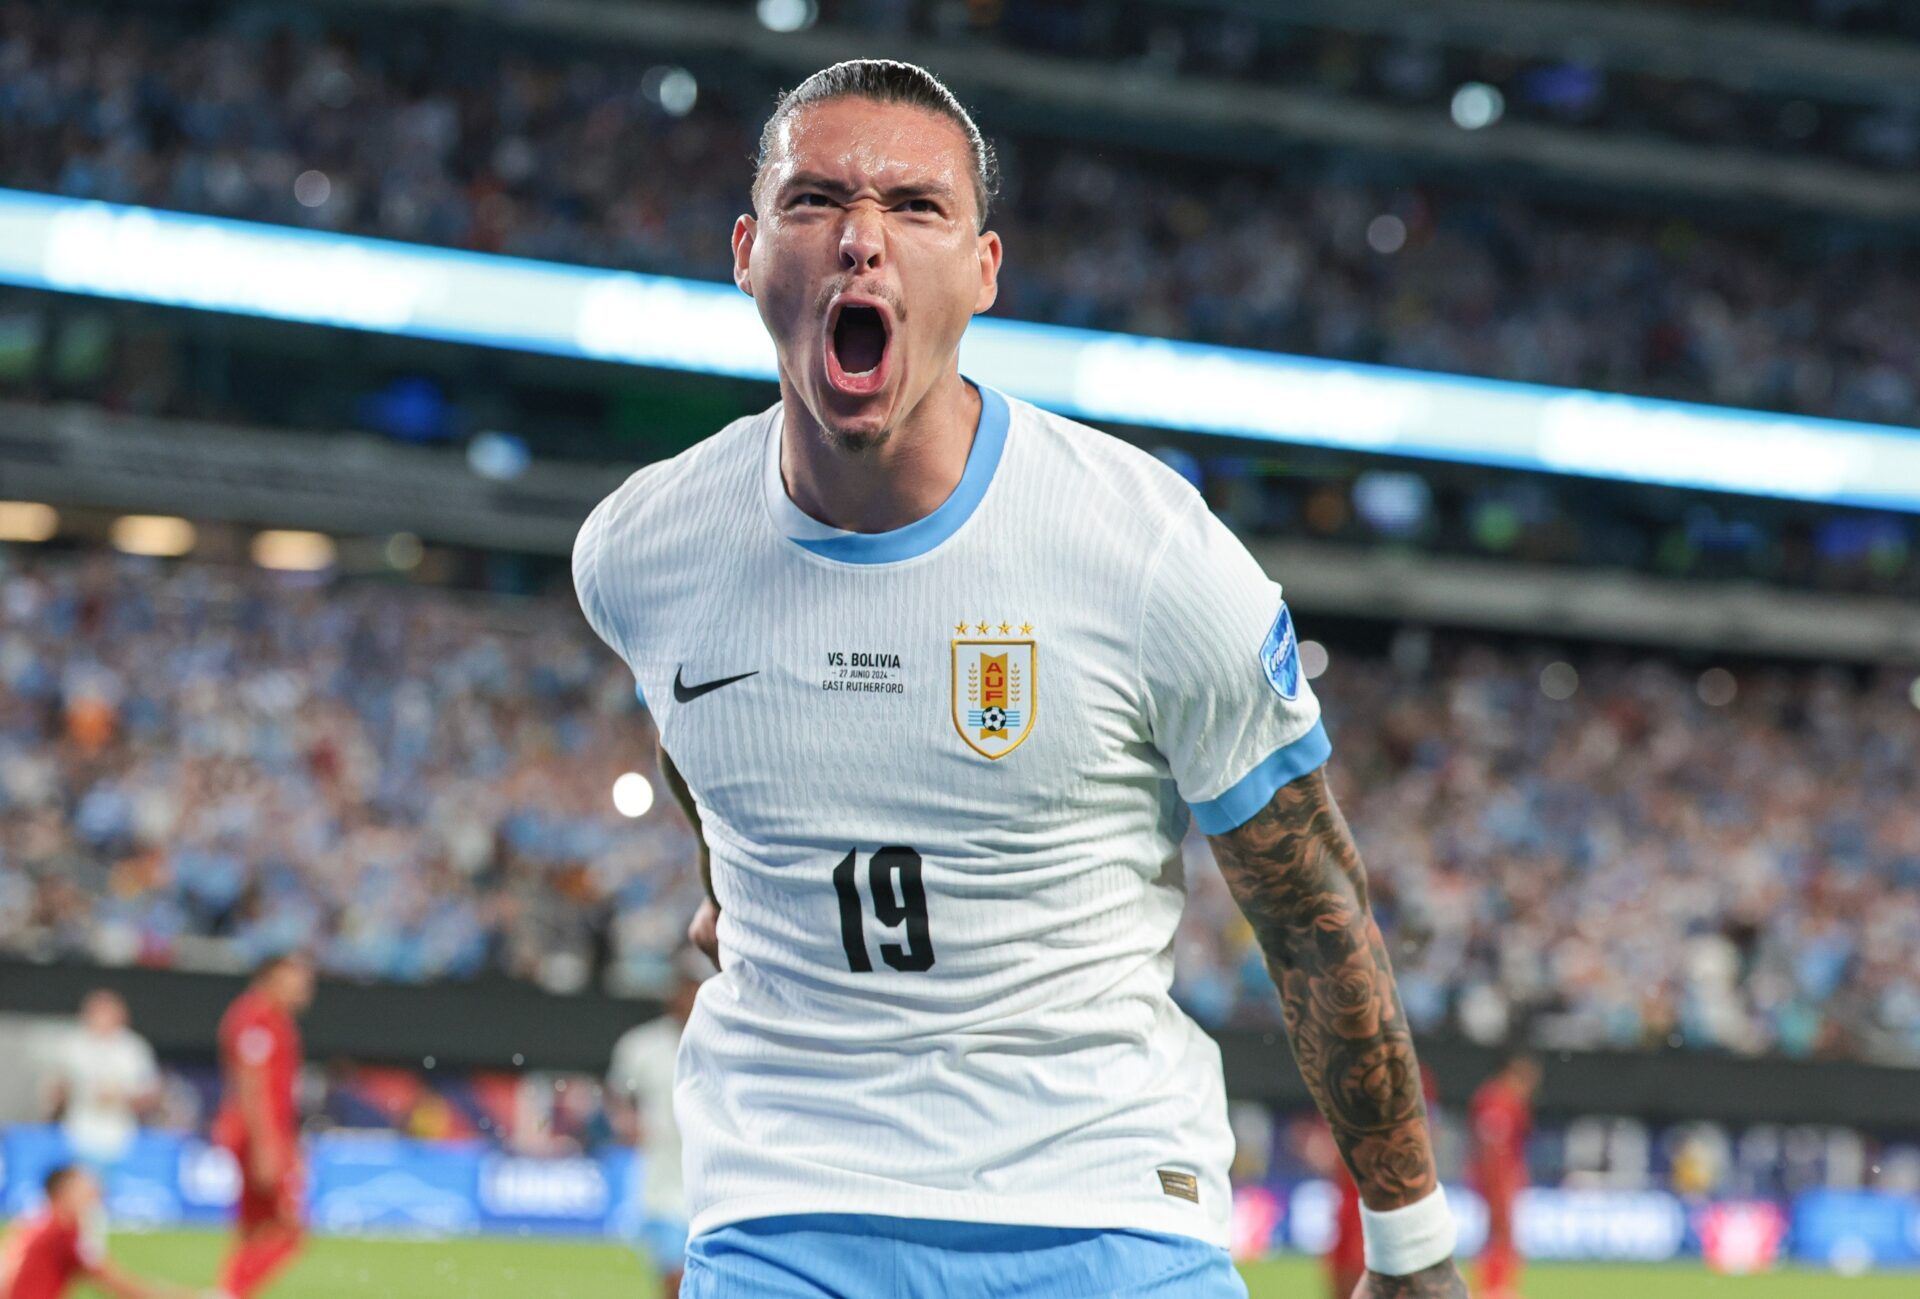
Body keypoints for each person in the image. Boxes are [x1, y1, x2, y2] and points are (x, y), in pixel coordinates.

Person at [574, 59, 1465, 1299]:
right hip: (785, 1216)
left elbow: (1310, 904)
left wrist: (1410, 1247)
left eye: (916, 207)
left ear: (985, 270)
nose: (862, 239)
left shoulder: (1145, 551)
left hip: (1106, 1217)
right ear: (746, 251)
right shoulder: (640, 551)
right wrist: (728, 874)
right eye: (815, 200)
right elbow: (698, 726)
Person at [208, 954, 315, 1299]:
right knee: (289, 1231)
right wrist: (267, 1146)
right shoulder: (257, 1018)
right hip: (257, 1134)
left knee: (255, 1228)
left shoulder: (274, 1019)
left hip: (262, 1134)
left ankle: (229, 1291)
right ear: (271, 980)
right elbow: (251, 1085)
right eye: (296, 982)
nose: (304, 990)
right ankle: (230, 1292)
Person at [608, 948, 709, 1298]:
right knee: (674, 1278)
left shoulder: (723, 1042)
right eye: (681, 987)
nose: (685, 996)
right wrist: (626, 1122)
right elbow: (618, 1095)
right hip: (661, 1185)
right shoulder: (641, 1046)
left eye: (694, 987)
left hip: (711, 1183)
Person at [0, 1166, 200, 1299]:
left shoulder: (35, 1220)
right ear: (64, 1192)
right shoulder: (62, 1232)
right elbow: (116, 1283)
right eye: (85, 1186)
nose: (95, 1192)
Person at [45, 990, 161, 1169]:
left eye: (107, 1012)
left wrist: (122, 1099)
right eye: (97, 1012)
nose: (101, 1018)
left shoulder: (133, 1049)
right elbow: (55, 1091)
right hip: (76, 1132)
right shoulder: (71, 1045)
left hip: (121, 1136)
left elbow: (151, 1095)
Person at [1469, 1053, 1540, 1299]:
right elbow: (1493, 1145)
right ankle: (1496, 1289)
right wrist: (1499, 1181)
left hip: (1500, 1176)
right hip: (1497, 1177)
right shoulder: (1499, 1101)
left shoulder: (1500, 1099)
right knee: (1501, 1234)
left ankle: (1495, 1287)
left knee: (1497, 1235)